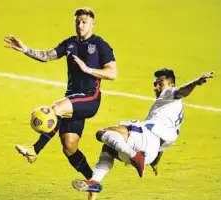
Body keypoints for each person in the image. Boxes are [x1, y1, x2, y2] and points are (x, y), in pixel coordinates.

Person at [3, 7, 118, 180]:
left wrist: (88, 69)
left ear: (92, 23)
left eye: (84, 22)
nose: (80, 25)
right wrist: (25, 49)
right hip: (72, 97)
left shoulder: (101, 45)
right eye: (77, 22)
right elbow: (46, 56)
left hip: (90, 97)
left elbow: (112, 73)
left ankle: (34, 150)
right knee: (69, 147)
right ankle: (92, 181)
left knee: (55, 108)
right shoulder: (70, 43)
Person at [71, 69, 213, 197]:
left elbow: (181, 91)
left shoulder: (169, 93)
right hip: (150, 153)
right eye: (155, 84)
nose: (156, 87)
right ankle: (94, 182)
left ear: (170, 84)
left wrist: (195, 82)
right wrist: (154, 162)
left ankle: (134, 156)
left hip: (145, 142)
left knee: (102, 133)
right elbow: (163, 143)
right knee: (108, 148)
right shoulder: (172, 114)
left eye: (160, 83)